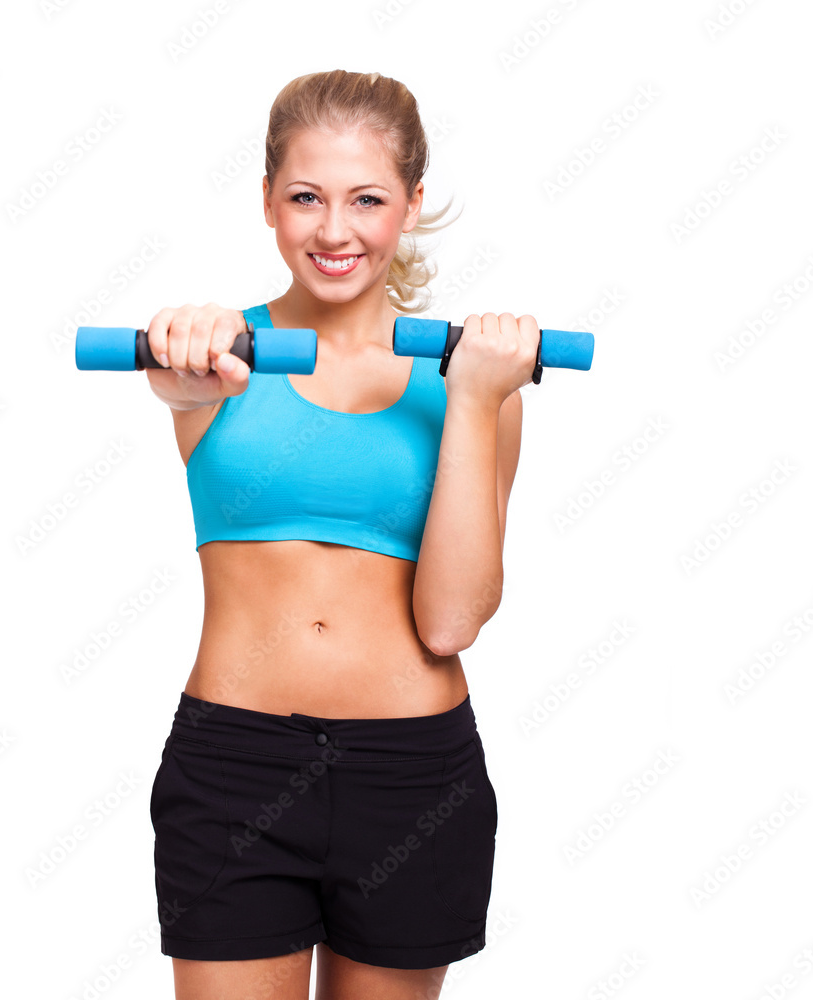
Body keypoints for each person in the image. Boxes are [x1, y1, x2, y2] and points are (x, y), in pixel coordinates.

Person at [145, 69, 538, 1000]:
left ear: (411, 203)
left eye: (366, 199)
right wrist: (181, 352)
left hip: (413, 774)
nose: (334, 230)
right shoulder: (217, 360)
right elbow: (180, 386)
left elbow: (450, 621)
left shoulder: (473, 386)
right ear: (268, 203)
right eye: (305, 198)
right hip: (234, 767)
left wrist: (474, 399)